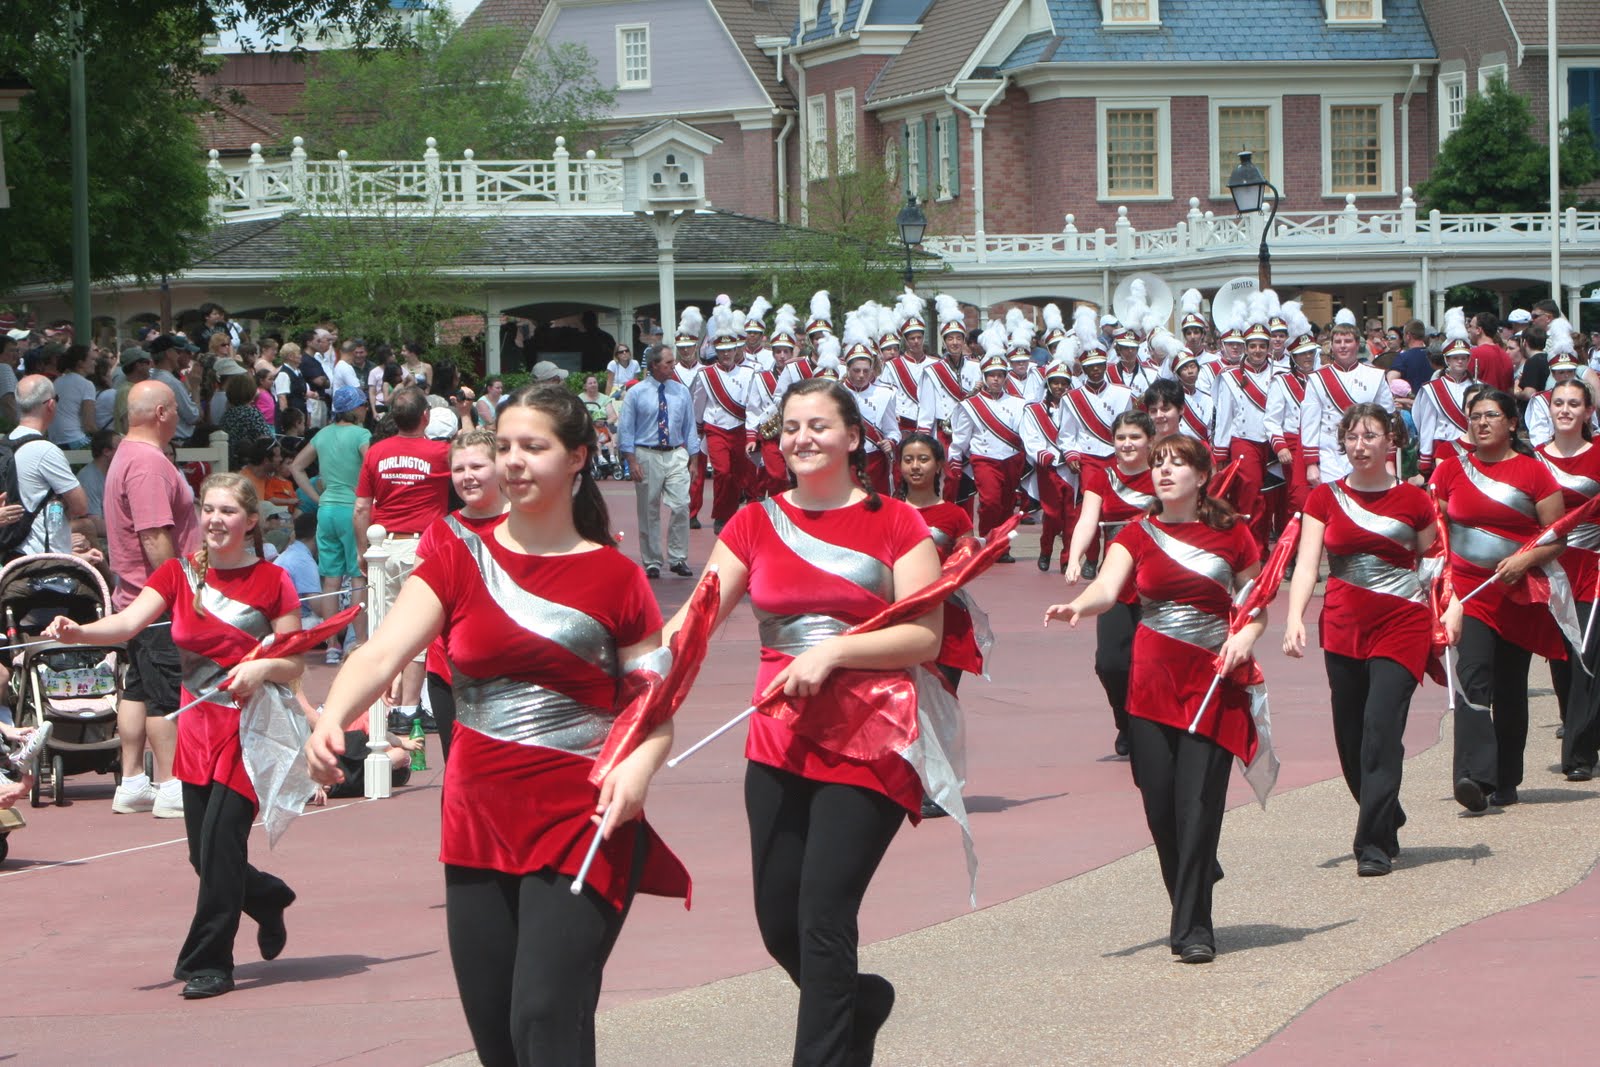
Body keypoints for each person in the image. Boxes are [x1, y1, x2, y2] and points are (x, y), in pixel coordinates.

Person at [307, 383, 689, 1066]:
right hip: (477, 816)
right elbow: (384, 649)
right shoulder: (456, 556)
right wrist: (334, 715)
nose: (513, 461)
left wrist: (640, 764)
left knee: (543, 1014)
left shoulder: (617, 578)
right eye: (504, 445)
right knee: (500, 1039)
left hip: (584, 814)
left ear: (577, 457)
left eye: (532, 447)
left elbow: (652, 709)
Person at [665, 376, 943, 1066]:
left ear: (853, 437)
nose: (801, 438)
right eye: (790, 427)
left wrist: (838, 650)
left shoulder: (898, 523)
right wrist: (636, 661)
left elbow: (925, 636)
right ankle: (860, 999)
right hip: (777, 738)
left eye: (818, 425)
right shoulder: (754, 522)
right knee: (779, 923)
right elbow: (695, 618)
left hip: (870, 737)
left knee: (823, 916)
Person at [48, 473, 302, 999]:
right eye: (207, 509)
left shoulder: (274, 581)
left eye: (228, 511)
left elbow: (295, 660)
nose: (214, 520)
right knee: (201, 856)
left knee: (218, 844)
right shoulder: (180, 573)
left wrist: (263, 669)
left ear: (250, 521)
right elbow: (126, 626)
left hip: (251, 732)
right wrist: (77, 632)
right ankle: (267, 895)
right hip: (196, 728)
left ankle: (210, 961)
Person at [1047, 434, 1264, 963]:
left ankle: (1193, 926)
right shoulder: (1138, 535)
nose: (1164, 472)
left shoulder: (1233, 534)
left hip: (1212, 681)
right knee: (1160, 807)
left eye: (1177, 464)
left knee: (1197, 804)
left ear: (1201, 475)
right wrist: (1080, 605)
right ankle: (1193, 882)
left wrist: (1244, 638)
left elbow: (1254, 601)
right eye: (1159, 463)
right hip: (1150, 684)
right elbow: (1107, 587)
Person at [1283, 404, 1435, 876]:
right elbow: (1308, 565)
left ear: (1391, 441)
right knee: (1350, 739)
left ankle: (1371, 843)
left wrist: (1448, 609)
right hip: (1344, 624)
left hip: (1402, 624)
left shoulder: (1415, 500)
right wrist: (1294, 617)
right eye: (1352, 437)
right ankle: (1384, 808)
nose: (1360, 445)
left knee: (1380, 728)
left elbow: (1433, 561)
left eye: (1370, 436)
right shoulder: (1324, 498)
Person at [1434, 390, 1566, 812]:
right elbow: (1434, 530)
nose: (1482, 422)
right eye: (1475, 416)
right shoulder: (1451, 471)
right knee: (1472, 679)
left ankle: (1506, 777)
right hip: (1467, 595)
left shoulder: (1535, 474)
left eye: (1491, 415)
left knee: (1510, 689)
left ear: (1511, 423)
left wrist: (1526, 558)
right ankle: (1473, 776)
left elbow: (1557, 537)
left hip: (1517, 595)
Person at [104, 380, 201, 818]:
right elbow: (155, 536)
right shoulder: (146, 463)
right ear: (162, 413)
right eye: (176, 409)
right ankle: (170, 783)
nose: (180, 416)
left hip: (135, 597)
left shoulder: (130, 455)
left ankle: (131, 781)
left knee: (139, 689)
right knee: (166, 692)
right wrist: (178, 592)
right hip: (154, 599)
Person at [354, 387, 451, 731]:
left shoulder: (376, 453)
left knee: (384, 628)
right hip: (421, 549)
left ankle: (379, 706)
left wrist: (363, 551)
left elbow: (362, 508)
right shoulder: (442, 454)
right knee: (418, 629)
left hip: (384, 547)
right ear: (425, 416)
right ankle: (408, 709)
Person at [1063, 411, 1157, 758]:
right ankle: (1125, 719)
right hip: (1115, 580)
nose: (1127, 444)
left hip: (1158, 580)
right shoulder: (1103, 478)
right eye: (1121, 438)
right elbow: (1088, 521)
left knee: (1151, 661)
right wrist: (1074, 558)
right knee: (1111, 662)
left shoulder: (1164, 474)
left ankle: (1151, 725)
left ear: (1149, 440)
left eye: (1135, 437)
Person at [420, 428, 506, 759]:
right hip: (448, 672)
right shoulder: (439, 533)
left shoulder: (528, 525)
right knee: (458, 772)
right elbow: (415, 610)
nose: (467, 477)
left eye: (477, 467)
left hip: (510, 674)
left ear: (499, 467)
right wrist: (401, 670)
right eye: (459, 469)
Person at [1536, 378, 1600, 779]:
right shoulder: (1534, 459)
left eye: (1573, 404)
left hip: (1593, 567)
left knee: (1586, 656)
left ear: (1588, 412)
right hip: (1550, 568)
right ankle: (1577, 721)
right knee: (1559, 657)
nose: (1564, 410)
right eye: (1558, 403)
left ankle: (1578, 754)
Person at [289, 387, 372, 664]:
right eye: (363, 405)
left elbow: (296, 467)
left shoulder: (323, 434)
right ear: (356, 408)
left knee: (331, 578)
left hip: (327, 510)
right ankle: (360, 642)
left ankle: (332, 645)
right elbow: (372, 461)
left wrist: (316, 497)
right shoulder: (362, 435)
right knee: (358, 574)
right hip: (353, 508)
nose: (366, 409)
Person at [617, 346, 697, 579]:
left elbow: (690, 427)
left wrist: (694, 460)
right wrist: (631, 461)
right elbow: (626, 429)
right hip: (647, 453)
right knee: (649, 508)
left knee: (681, 504)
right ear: (654, 365)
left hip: (675, 453)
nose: (673, 366)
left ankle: (678, 557)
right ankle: (652, 560)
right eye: (668, 362)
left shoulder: (681, 392)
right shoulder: (637, 393)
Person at [1303, 308, 1395, 488]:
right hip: (1330, 454)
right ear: (1332, 346)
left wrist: (1389, 459)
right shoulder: (1317, 379)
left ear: (1357, 344)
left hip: (1369, 450)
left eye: (1347, 341)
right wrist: (1311, 464)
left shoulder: (1375, 376)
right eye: (1338, 341)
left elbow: (1389, 420)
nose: (1343, 345)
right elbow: (1309, 423)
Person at [7, 376, 91, 559]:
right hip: (43, 558)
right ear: (51, 404)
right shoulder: (45, 450)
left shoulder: (6, 445)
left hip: (10, 551)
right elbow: (81, 506)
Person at [950, 348, 1025, 553]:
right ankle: (987, 543)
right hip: (984, 457)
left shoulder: (1018, 403)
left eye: (1000, 375)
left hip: (1011, 458)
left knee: (1008, 504)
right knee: (990, 501)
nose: (996, 379)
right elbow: (961, 435)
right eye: (992, 375)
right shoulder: (971, 405)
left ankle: (1002, 546)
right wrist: (955, 456)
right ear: (984, 376)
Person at [689, 306, 756, 535]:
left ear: (736, 348)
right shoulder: (706, 375)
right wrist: (698, 430)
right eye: (722, 350)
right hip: (715, 427)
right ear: (716, 349)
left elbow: (753, 405)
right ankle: (721, 515)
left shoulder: (749, 373)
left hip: (739, 428)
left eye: (730, 349)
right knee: (723, 472)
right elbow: (698, 403)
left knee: (739, 474)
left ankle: (730, 512)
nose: (726, 354)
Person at [1022, 361, 1076, 572]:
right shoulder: (1034, 410)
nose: (1060, 387)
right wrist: (1043, 454)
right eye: (1056, 383)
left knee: (1071, 516)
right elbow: (1030, 437)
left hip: (1071, 469)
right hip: (1049, 469)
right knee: (1052, 515)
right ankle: (1046, 550)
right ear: (1048, 384)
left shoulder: (1077, 406)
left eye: (1064, 383)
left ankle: (1067, 559)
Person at [1412, 312, 1477, 481]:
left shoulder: (1478, 386)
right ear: (1447, 360)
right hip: (1443, 446)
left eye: (1464, 358)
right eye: (1455, 358)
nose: (1460, 362)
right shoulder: (1433, 389)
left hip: (1472, 446)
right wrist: (1425, 457)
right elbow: (1426, 424)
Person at [274, 511, 321, 627]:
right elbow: (319, 608)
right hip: (294, 623)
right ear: (318, 535)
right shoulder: (303, 561)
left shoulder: (291, 553)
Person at [49, 343, 97, 449]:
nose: (95, 363)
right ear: (80, 363)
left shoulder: (57, 381)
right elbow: (89, 425)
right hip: (75, 440)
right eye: (92, 360)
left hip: (55, 441)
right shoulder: (87, 384)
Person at [75, 428, 120, 538]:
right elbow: (95, 524)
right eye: (121, 448)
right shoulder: (88, 478)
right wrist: (127, 534)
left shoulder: (116, 474)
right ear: (106, 452)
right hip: (102, 540)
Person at [1468, 312, 1513, 393]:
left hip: (1481, 402)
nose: (1468, 330)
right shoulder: (1506, 356)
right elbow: (1510, 390)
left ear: (1478, 330)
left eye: (1471, 326)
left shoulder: (1474, 354)